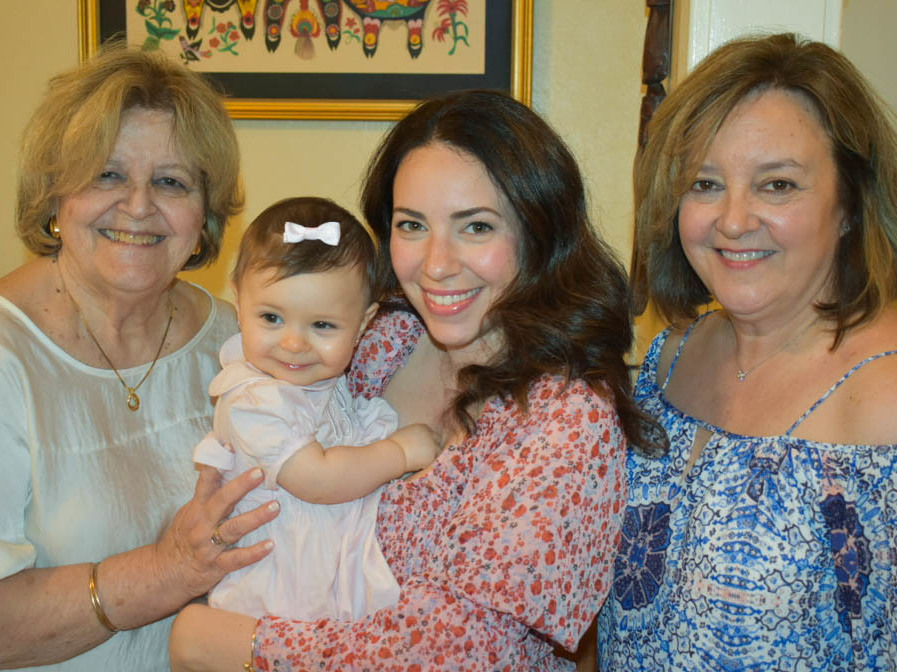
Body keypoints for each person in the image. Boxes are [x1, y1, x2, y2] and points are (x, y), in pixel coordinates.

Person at [169, 89, 663, 671]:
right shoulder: (384, 338)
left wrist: (235, 644)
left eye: (476, 227)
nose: (435, 264)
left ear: (540, 231)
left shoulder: (563, 421)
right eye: (411, 225)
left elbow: (463, 653)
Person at [598, 33, 897, 670]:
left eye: (778, 185)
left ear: (849, 204)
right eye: (705, 183)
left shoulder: (888, 393)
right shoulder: (667, 360)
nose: (732, 220)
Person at [0, 46, 279, 670]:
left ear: (204, 216)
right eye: (107, 173)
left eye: (172, 182)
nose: (137, 205)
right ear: (52, 197)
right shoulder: (8, 359)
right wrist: (167, 571)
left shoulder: (239, 343)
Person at [193, 196, 439, 621]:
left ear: (364, 325)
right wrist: (399, 452)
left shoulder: (325, 386)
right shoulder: (255, 402)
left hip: (323, 575)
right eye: (271, 318)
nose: (293, 343)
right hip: (276, 591)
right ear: (239, 302)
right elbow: (318, 478)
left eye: (322, 325)